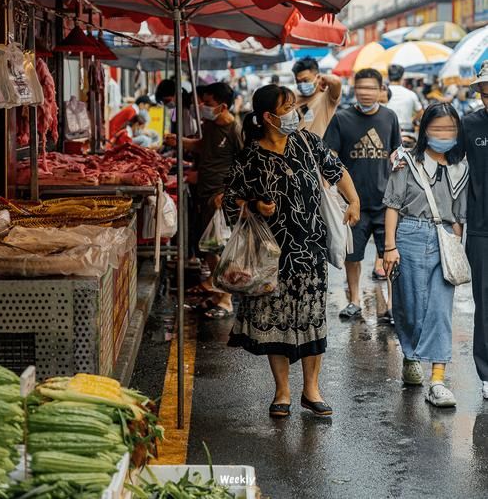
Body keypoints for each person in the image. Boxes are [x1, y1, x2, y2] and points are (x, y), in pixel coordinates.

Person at [223, 84, 359, 418]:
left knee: (313, 318)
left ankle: (311, 390)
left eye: (295, 106)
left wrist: (353, 199)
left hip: (310, 249)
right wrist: (254, 205)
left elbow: (336, 169)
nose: (294, 113)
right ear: (268, 117)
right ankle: (282, 392)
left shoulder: (307, 142)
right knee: (277, 322)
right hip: (271, 256)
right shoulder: (250, 156)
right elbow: (228, 200)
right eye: (287, 108)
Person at [383, 103, 468, 407]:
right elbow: (392, 205)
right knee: (409, 305)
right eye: (437, 128)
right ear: (424, 130)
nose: (443, 134)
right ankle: (409, 356)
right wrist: (389, 247)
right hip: (409, 235)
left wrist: (455, 248)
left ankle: (438, 380)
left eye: (449, 128)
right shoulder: (405, 162)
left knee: (440, 310)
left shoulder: (461, 167)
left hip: (445, 239)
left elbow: (459, 216)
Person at [324, 68, 401, 320]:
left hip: (385, 202)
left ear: (381, 90)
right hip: (352, 203)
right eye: (361, 88)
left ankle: (390, 306)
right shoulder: (342, 118)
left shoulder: (389, 117)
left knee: (389, 254)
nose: (366, 93)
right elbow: (330, 157)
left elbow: (396, 152)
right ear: (353, 89)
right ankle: (354, 300)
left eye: (371, 88)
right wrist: (331, 191)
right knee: (352, 255)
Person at [165, 82, 242, 319]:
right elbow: (200, 146)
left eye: (207, 103)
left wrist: (229, 194)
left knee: (222, 248)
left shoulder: (234, 130)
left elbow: (244, 166)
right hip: (205, 194)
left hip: (221, 198)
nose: (202, 106)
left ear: (223, 106)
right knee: (208, 247)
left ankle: (226, 299)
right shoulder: (210, 125)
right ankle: (217, 292)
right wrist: (180, 142)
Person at [463, 62, 488, 400]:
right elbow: (447, 158)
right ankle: (486, 371)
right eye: (484, 93)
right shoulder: (470, 124)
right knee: (485, 302)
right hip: (482, 227)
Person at [293, 56, 342, 137]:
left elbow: (336, 81)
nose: (301, 84)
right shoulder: (294, 97)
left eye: (305, 80)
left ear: (318, 77)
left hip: (318, 148)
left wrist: (323, 78)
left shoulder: (327, 97)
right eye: (298, 82)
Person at [386, 65, 423, 131]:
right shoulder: (411, 94)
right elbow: (420, 112)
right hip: (406, 129)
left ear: (388, 77)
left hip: (387, 129)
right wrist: (412, 120)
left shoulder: (382, 94)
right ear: (402, 77)